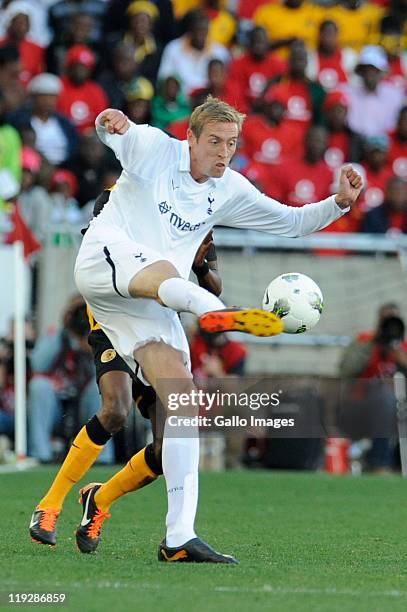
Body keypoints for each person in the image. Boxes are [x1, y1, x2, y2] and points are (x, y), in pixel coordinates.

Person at [33, 96, 362, 564]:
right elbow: (120, 135)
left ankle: (178, 537)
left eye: (231, 144)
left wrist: (339, 203)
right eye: (214, 142)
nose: (223, 153)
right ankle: (216, 313)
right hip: (107, 265)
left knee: (183, 401)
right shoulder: (157, 150)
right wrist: (111, 124)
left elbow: (289, 221)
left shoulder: (227, 188)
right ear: (190, 137)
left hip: (154, 303)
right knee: (161, 286)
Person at [30, 216, 221, 552]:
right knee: (115, 410)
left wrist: (201, 267)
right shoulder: (121, 196)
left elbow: (214, 287)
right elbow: (96, 256)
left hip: (158, 331)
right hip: (113, 320)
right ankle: (49, 504)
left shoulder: (197, 212)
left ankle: (99, 499)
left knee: (166, 450)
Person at [27, 296, 113, 464]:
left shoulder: (101, 337)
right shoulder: (56, 335)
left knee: (101, 388)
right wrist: (64, 329)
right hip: (57, 407)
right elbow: (38, 364)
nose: (81, 318)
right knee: (39, 386)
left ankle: (102, 456)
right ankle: (41, 454)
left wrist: (92, 345)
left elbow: (108, 374)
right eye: (77, 313)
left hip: (85, 406)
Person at [338, 303, 407, 472]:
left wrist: (401, 358)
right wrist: (372, 346)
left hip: (398, 407)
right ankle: (380, 463)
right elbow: (346, 370)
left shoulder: (402, 348)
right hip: (361, 404)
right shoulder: (364, 341)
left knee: (389, 399)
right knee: (385, 397)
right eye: (386, 321)